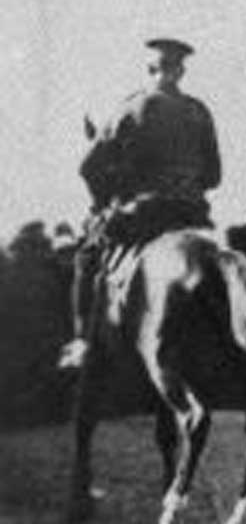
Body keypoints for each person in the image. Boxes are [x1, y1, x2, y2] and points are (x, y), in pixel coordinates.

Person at [59, 37, 221, 371]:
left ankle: (82, 343)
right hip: (192, 215)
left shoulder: (133, 106)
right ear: (182, 70)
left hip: (144, 213)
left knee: (87, 257)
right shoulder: (200, 111)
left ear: (150, 69)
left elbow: (87, 167)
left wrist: (105, 201)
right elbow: (214, 176)